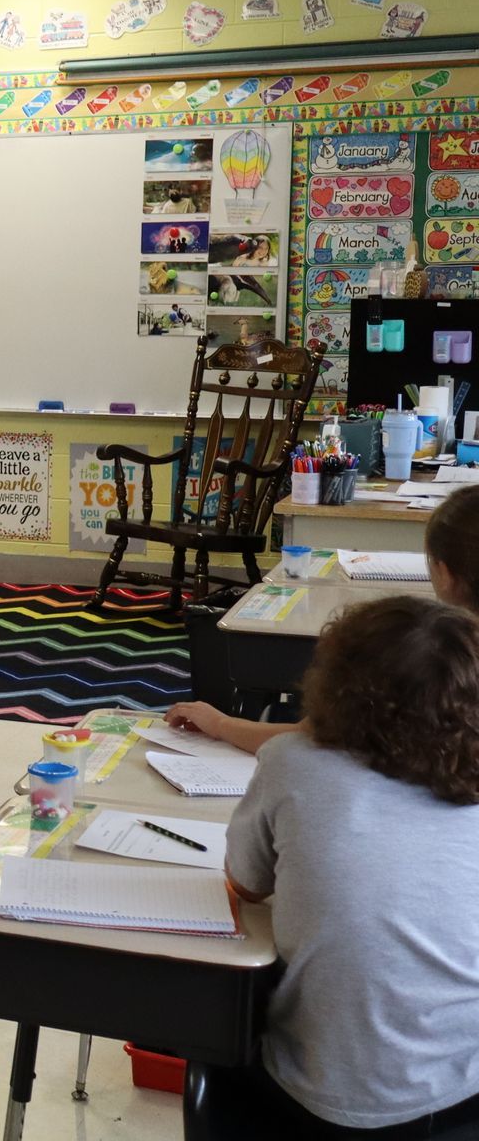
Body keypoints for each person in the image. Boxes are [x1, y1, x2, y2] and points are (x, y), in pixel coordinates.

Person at [208, 595, 479, 1136]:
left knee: (219, 1030)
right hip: (462, 1093)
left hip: (318, 1095)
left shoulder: (292, 762)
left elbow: (244, 886)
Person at [166, 485, 479, 752]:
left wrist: (220, 723)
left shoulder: (418, 651)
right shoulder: (450, 651)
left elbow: (308, 737)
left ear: (444, 573)